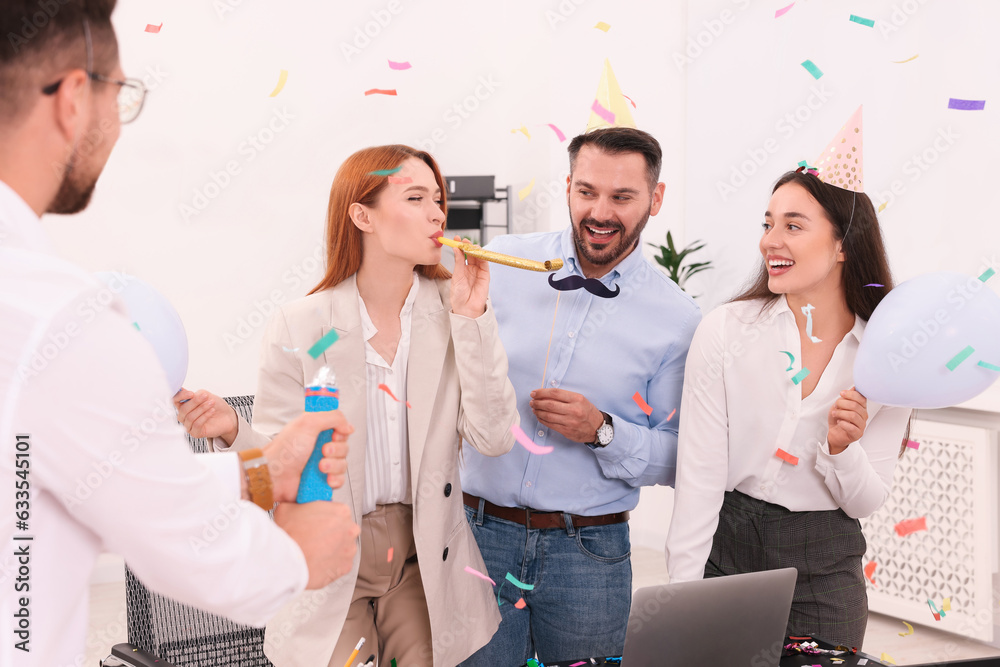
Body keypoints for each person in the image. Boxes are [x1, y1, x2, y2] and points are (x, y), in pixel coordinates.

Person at [0, 2, 360, 665]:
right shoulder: (63, 321)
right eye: (121, 95)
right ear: (74, 98)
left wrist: (259, 468)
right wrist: (303, 551)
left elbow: (54, 482)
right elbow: (195, 555)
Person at [175, 144, 520, 666]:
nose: (437, 213)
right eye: (415, 197)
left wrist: (473, 319)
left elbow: (494, 438)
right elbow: (277, 478)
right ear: (362, 215)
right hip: (332, 549)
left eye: (438, 199)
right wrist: (231, 429)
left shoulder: (457, 312)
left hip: (421, 552)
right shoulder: (301, 327)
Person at [459, 127, 702, 665]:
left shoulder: (678, 319)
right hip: (478, 536)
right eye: (587, 191)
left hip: (588, 555)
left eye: (622, 197)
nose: (600, 211)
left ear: (655, 199)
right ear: (568, 186)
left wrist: (603, 431)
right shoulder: (499, 263)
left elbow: (680, 455)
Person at [665, 144, 912, 648]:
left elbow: (865, 501)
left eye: (793, 226)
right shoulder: (725, 331)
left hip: (826, 566)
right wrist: (682, 604)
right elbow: (699, 479)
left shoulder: (888, 358)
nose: (769, 241)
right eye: (767, 223)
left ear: (843, 244)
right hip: (726, 550)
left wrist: (842, 451)